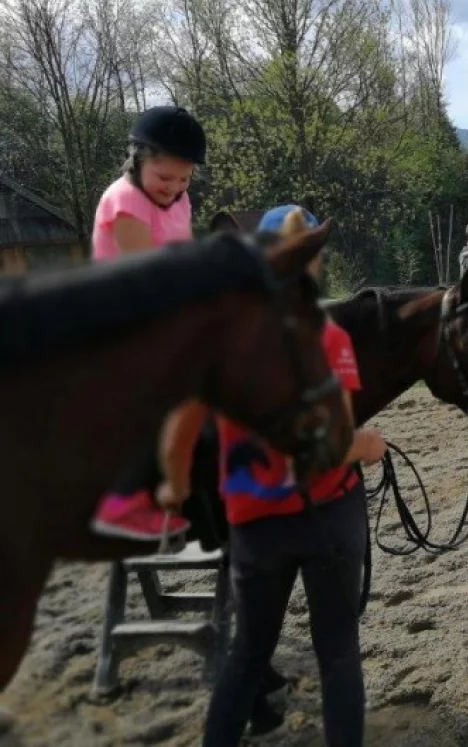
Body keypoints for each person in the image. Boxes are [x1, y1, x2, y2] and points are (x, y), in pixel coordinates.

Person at [156, 205, 387, 747]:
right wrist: (369, 446)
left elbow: (180, 425)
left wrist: (174, 485)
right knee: (336, 651)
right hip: (325, 512)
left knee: (247, 654)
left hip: (254, 524)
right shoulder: (327, 340)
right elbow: (332, 446)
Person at [90, 105, 207, 543]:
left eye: (184, 179)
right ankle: (119, 503)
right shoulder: (124, 202)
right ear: (138, 161)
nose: (174, 188)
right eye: (165, 178)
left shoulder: (181, 200)